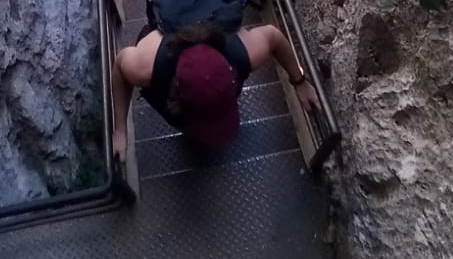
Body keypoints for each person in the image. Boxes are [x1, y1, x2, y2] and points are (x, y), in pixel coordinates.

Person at [111, 12, 318, 161]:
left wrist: (300, 81)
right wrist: (120, 130)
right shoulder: (145, 67)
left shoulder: (243, 53)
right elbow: (120, 67)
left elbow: (273, 36)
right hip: (163, 51)